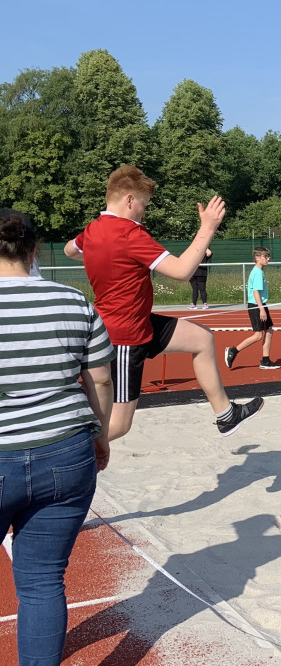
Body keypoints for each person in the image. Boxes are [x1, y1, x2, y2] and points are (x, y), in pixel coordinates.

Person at [64, 166, 264, 439]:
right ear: (129, 200)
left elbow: (70, 250)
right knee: (119, 425)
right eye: (144, 205)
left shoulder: (92, 230)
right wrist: (207, 227)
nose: (144, 212)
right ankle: (68, 451)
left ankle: (226, 414)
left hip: (139, 322)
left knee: (202, 339)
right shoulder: (130, 234)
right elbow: (182, 271)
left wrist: (101, 253)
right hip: (124, 335)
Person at [0, 208, 114, 666]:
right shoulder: (73, 301)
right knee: (43, 582)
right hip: (67, 452)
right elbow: (100, 379)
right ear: (34, 250)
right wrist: (101, 436)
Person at [224, 247, 279, 370]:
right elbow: (255, 292)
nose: (268, 258)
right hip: (257, 306)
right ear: (257, 258)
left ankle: (265, 360)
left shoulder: (258, 271)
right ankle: (233, 351)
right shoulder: (257, 272)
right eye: (266, 256)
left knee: (269, 330)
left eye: (268, 256)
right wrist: (261, 309)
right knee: (258, 335)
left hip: (260, 305)